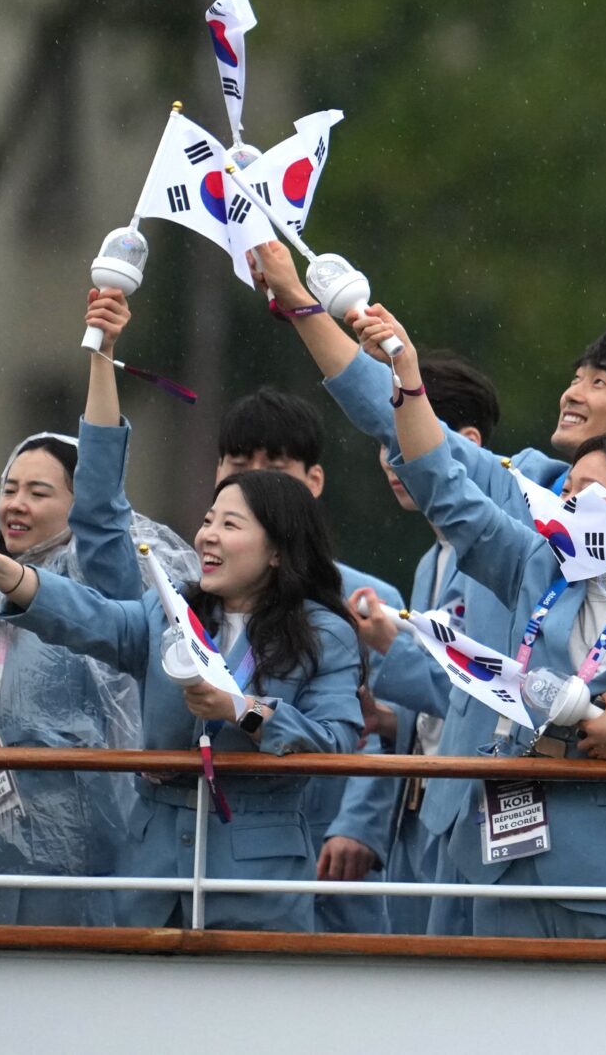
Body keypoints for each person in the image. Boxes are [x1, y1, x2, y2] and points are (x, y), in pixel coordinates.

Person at [355, 304, 606, 940]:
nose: (568, 504)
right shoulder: (534, 563)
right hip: (495, 856)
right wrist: (404, 372)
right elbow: (440, 483)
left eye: (590, 494)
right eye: (565, 492)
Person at [0, 469, 361, 931]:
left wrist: (241, 710)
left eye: (230, 526)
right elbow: (83, 614)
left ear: (278, 550)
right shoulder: (167, 613)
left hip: (256, 880)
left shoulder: (324, 634)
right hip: (153, 873)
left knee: (247, 1002)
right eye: (208, 521)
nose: (208, 536)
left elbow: (336, 742)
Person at [248, 242, 606, 602]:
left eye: (599, 383)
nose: (571, 393)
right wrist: (299, 304)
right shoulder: (516, 481)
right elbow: (398, 420)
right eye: (575, 378)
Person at [0, 435, 199, 927]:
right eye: (10, 488)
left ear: (81, 507)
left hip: (66, 851)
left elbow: (106, 531)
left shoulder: (95, 588)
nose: (16, 504)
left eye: (39, 492)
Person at [207, 387, 405, 933]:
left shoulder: (368, 603)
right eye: (238, 463)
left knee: (347, 991)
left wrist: (359, 824)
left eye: (277, 465)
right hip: (227, 834)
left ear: (314, 481)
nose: (255, 479)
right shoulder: (192, 597)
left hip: (333, 833)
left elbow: (395, 726)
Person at [334, 351, 504, 936]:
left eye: (401, 436)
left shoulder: (500, 558)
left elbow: (492, 691)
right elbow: (432, 711)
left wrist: (391, 647)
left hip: (469, 812)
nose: (390, 459)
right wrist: (383, 719)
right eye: (383, 442)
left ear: (467, 444)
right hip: (419, 809)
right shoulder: (432, 557)